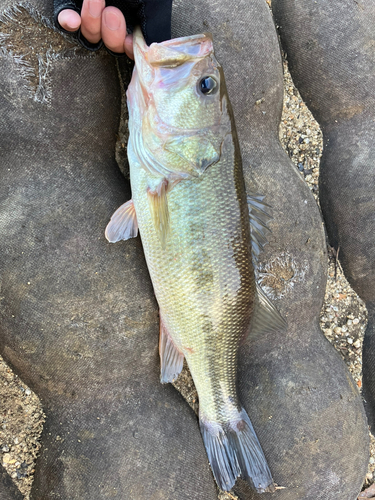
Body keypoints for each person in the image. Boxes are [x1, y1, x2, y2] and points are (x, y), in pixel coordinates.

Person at [0, 0, 372, 498]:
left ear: (207, 150)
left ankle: (221, 413)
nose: (202, 75)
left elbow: (125, 226)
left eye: (205, 86)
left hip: (198, 304)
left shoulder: (176, 169)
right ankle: (221, 415)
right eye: (207, 86)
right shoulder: (177, 167)